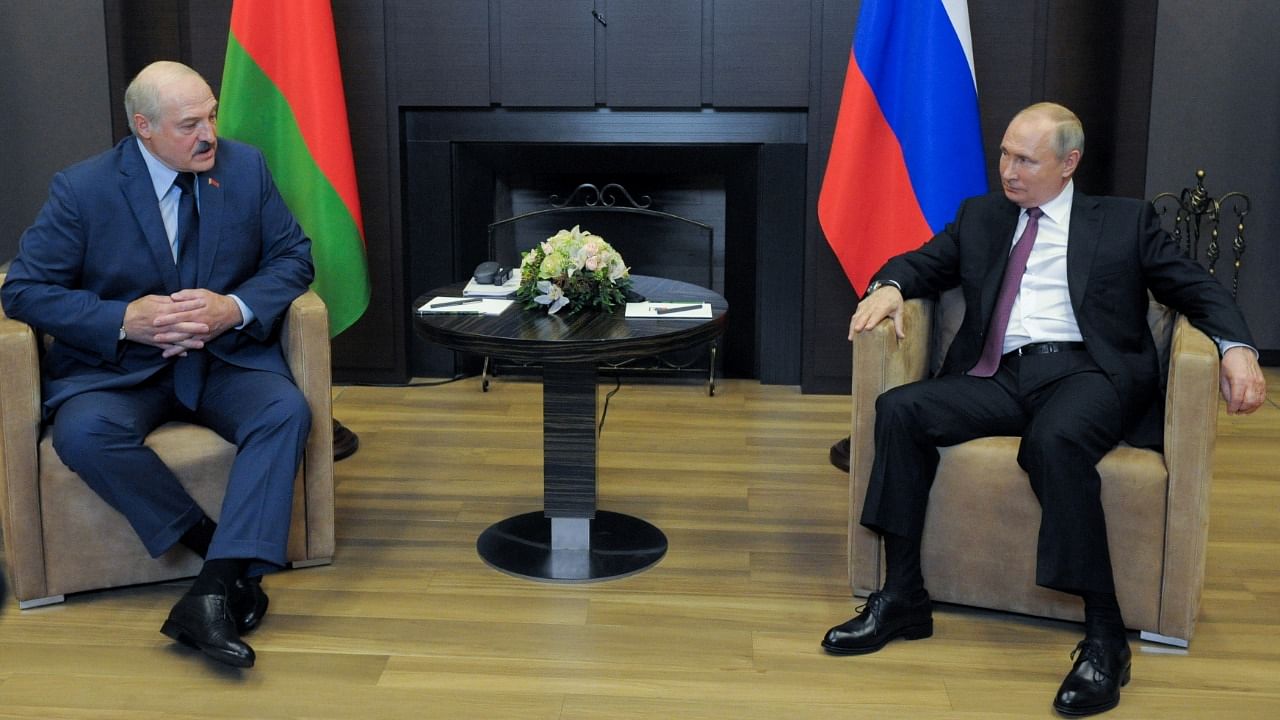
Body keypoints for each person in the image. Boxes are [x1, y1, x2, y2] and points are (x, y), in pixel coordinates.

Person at [820, 102, 1266, 716]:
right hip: (999, 373)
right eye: (1004, 153)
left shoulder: (1123, 222)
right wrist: (891, 287)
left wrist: (1236, 348)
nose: (1008, 169)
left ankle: (1105, 639)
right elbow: (920, 264)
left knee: (1052, 444)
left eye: (1025, 159)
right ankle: (901, 599)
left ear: (1069, 163)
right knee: (899, 409)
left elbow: (1197, 287)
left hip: (1087, 373)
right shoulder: (981, 216)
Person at [1, 61, 314, 669]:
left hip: (224, 360)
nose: (209, 135)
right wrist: (124, 320)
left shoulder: (244, 169)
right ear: (143, 128)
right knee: (84, 432)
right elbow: (25, 289)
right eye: (190, 124)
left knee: (284, 409)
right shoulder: (83, 189)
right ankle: (215, 552)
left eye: (213, 116)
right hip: (123, 371)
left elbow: (293, 259)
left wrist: (234, 307)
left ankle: (210, 589)